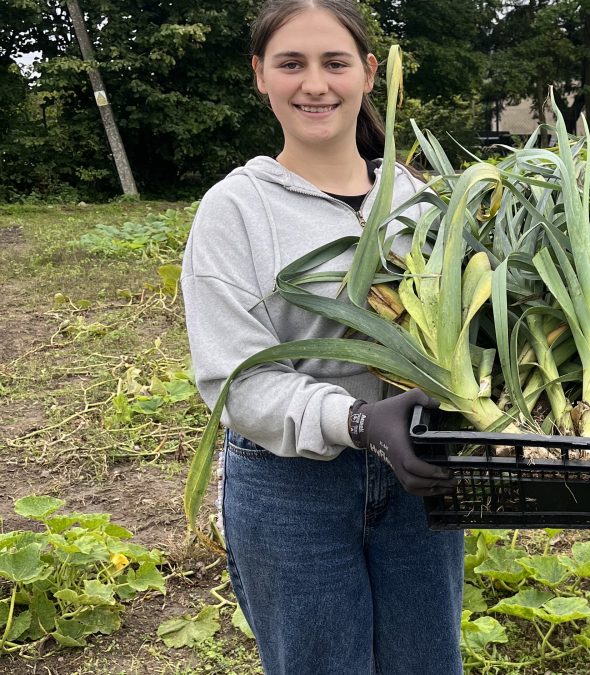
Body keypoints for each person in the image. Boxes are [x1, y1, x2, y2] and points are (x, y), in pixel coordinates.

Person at [180, 1, 463, 672]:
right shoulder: (235, 209)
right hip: (289, 489)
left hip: (418, 477)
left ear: (368, 74)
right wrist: (358, 418)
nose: (315, 84)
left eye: (335, 63)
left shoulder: (419, 202)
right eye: (291, 64)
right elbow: (235, 379)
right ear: (260, 76)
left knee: (428, 662)